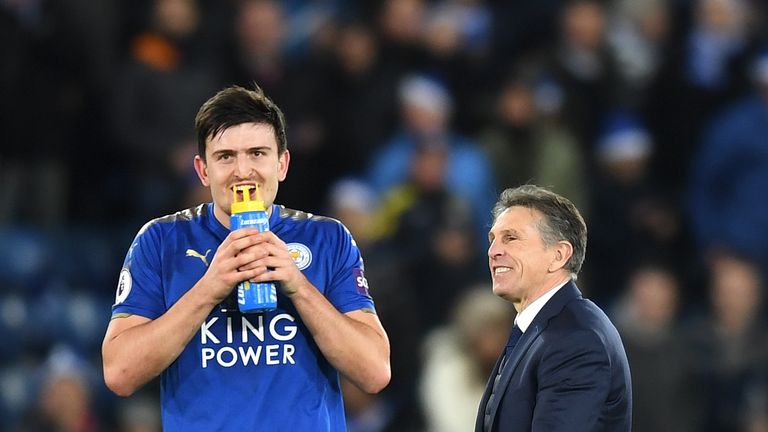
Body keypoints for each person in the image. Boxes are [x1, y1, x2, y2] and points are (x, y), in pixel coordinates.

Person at [101, 85, 391, 431]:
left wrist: (298, 286)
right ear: (203, 169)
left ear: (282, 163)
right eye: (225, 156)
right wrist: (209, 288)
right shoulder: (160, 241)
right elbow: (119, 373)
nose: (242, 171)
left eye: (257, 153)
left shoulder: (327, 239)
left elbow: (375, 372)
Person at [475, 184, 632, 432]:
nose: (493, 251)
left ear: (559, 255)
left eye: (511, 238)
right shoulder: (541, 331)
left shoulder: (576, 338)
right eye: (493, 240)